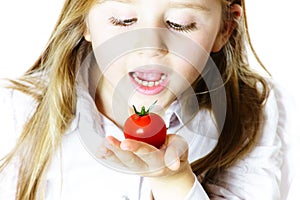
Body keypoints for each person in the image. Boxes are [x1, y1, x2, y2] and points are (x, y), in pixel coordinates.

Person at [0, 0, 297, 199]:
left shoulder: (256, 111)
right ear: (85, 23)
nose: (149, 47)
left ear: (224, 29)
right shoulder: (16, 114)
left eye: (180, 24)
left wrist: (174, 181)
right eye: (124, 20)